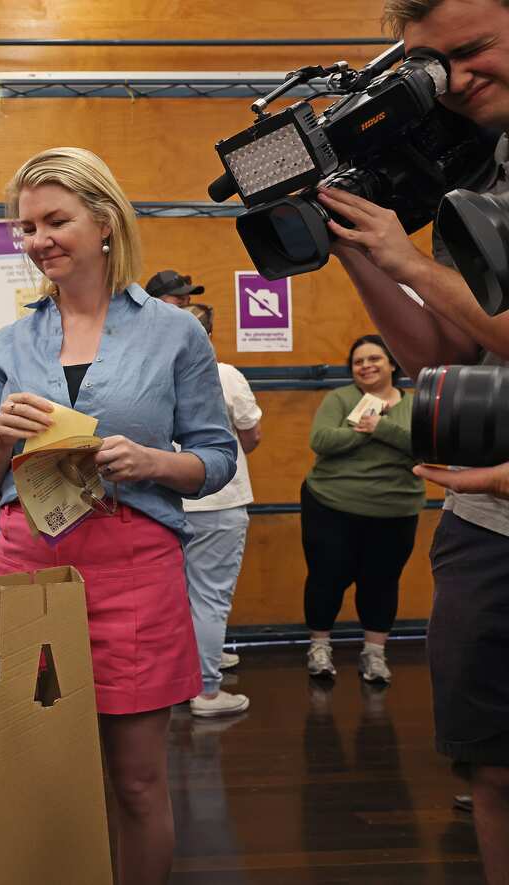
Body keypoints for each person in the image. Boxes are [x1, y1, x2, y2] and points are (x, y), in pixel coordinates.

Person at [0, 147, 237, 885]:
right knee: (29, 771)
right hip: (28, 570)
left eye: (56, 220)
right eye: (25, 227)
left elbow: (216, 457)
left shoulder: (177, 334)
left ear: (106, 221)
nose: (38, 239)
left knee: (138, 781)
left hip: (134, 567)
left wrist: (150, 461)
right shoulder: (11, 342)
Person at [324, 1, 509, 869]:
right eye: (431, 65)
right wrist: (355, 241)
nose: (457, 81)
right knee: (493, 766)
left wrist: (411, 260)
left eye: (472, 51)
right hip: (485, 524)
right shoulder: (489, 166)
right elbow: (447, 348)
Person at [300, 335, 423, 685]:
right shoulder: (339, 398)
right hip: (331, 505)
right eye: (358, 362)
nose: (366, 366)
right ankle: (319, 648)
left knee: (381, 583)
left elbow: (425, 448)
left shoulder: (415, 404)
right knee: (327, 578)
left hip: (395, 511)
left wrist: (381, 427)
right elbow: (322, 440)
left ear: (392, 363)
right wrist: (364, 429)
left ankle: (374, 655)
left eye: (374, 359)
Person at [180, 303, 262, 718]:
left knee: (174, 601)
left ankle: (177, 685)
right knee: (209, 599)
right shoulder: (226, 375)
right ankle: (208, 691)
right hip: (221, 500)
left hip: (167, 502)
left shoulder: (153, 372)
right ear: (209, 335)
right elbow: (251, 438)